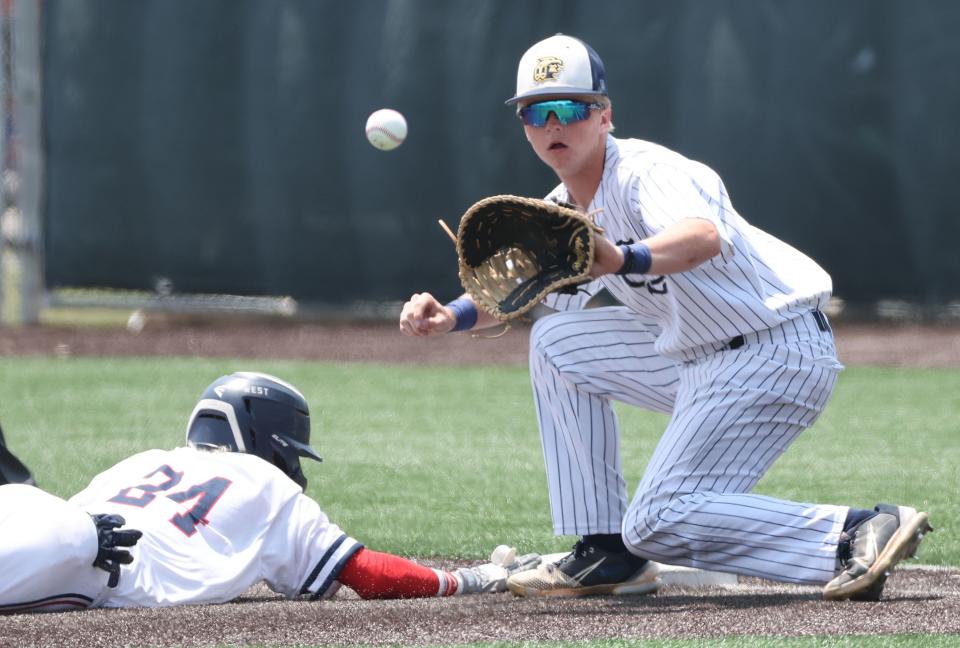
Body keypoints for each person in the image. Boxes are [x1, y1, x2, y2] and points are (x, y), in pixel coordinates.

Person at [399, 33, 931, 601]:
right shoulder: (561, 211)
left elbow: (702, 236)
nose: (555, 123)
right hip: (699, 359)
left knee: (657, 520)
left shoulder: (647, 172)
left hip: (774, 350)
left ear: (604, 115)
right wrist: (447, 316)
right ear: (525, 125)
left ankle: (851, 532)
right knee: (556, 343)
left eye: (572, 108)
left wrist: (624, 257)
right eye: (537, 111)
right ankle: (606, 551)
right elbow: (519, 289)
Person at [0, 371, 538, 614]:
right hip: (81, 562)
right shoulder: (267, 481)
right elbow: (366, 573)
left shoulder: (147, 459)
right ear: (269, 440)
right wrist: (467, 578)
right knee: (76, 536)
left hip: (28, 509)